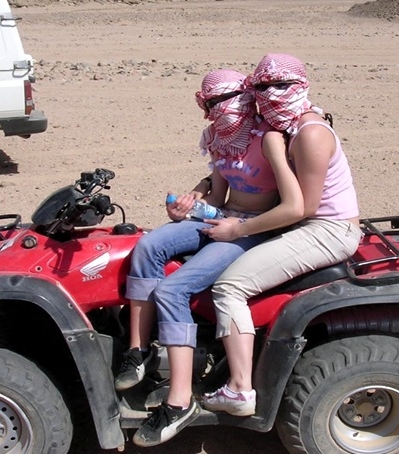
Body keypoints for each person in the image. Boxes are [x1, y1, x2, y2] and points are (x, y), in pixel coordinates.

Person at [119, 69, 304, 447]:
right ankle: (138, 351)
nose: (220, 110)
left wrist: (237, 227)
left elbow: (291, 204)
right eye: (212, 104)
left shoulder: (267, 139)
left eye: (227, 100)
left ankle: (180, 400)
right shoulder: (222, 140)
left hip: (253, 229)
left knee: (173, 290)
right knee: (148, 246)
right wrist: (191, 204)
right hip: (222, 219)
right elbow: (218, 199)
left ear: (245, 97)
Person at [200, 53, 363, 417]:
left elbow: (301, 207)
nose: (271, 94)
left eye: (281, 85)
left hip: (328, 229)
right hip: (305, 225)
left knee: (229, 287)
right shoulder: (285, 126)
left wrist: (237, 229)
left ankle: (240, 389)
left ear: (301, 85)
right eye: (261, 86)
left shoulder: (310, 133)